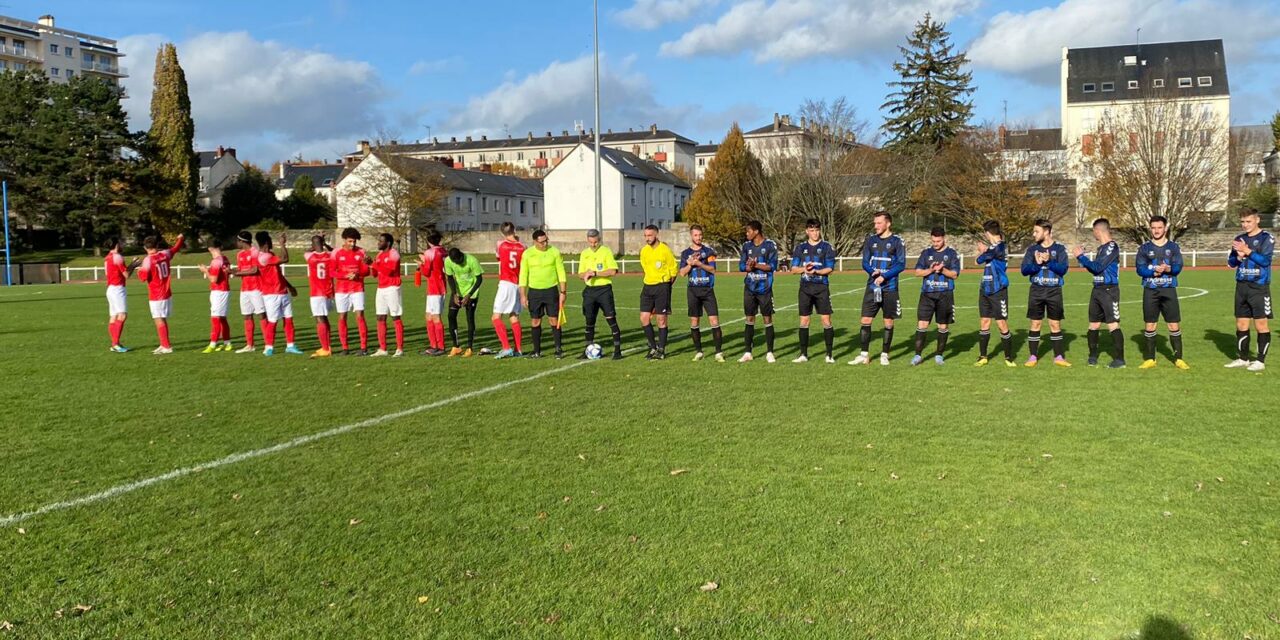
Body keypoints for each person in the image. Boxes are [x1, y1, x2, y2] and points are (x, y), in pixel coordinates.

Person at [850, 211, 905, 366]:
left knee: (888, 322)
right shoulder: (870, 240)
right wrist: (872, 272)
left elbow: (901, 264)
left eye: (879, 223)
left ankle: (885, 354)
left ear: (888, 223)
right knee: (865, 320)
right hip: (872, 286)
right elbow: (865, 262)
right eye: (875, 223)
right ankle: (864, 354)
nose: (876, 226)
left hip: (890, 287)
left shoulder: (897, 241)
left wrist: (884, 276)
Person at [1135, 216, 1188, 369]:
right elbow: (1140, 269)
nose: (1156, 231)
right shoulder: (1144, 248)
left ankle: (1178, 358)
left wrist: (1169, 269)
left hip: (1168, 289)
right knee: (1150, 325)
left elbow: (1178, 267)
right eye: (1153, 228)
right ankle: (1150, 358)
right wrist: (1153, 272)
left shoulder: (1173, 247)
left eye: (1159, 227)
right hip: (1150, 291)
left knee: (1173, 325)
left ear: (1165, 228)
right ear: (1150, 229)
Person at [237, 231, 301, 356]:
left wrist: (290, 286)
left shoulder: (269, 255)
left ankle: (291, 345)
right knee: (273, 321)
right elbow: (285, 259)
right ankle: (268, 347)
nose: (272, 243)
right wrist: (282, 244)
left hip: (282, 291)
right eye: (271, 241)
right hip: (271, 294)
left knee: (288, 319)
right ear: (267, 242)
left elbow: (278, 274)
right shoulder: (263, 257)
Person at [1073, 218, 1125, 368]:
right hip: (1097, 289)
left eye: (1093, 231)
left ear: (1098, 230)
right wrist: (1083, 259)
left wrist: (1081, 256)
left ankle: (1120, 359)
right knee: (1094, 324)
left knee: (1112, 324)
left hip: (1109, 290)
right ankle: (1093, 356)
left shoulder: (1111, 247)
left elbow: (1097, 267)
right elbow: (1095, 269)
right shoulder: (1101, 248)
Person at [1226, 207, 1273, 371]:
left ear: (1257, 220)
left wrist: (1247, 251)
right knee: (1241, 324)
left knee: (1261, 324)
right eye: (1243, 222)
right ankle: (1243, 358)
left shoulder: (1266, 238)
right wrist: (1238, 255)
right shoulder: (1239, 238)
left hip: (1259, 287)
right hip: (1242, 286)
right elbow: (1231, 263)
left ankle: (1260, 360)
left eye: (1248, 221)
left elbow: (1265, 261)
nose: (1245, 225)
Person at [1020, 219, 1070, 367]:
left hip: (1054, 291)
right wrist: (1037, 264)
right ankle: (1033, 357)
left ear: (1046, 231)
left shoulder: (1059, 249)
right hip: (1037, 290)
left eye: (1036, 231)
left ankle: (1059, 357)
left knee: (1055, 324)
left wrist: (1049, 261)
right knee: (1035, 323)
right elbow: (1024, 270)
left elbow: (1063, 270)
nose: (1033, 234)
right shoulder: (1032, 250)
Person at [789, 218, 836, 363]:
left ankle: (829, 355)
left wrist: (816, 272)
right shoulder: (800, 248)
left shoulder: (827, 247)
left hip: (821, 288)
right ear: (807, 231)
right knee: (804, 321)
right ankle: (803, 354)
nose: (815, 233)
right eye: (812, 230)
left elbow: (830, 269)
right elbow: (793, 269)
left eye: (817, 230)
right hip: (805, 289)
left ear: (820, 230)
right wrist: (805, 269)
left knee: (826, 320)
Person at [911, 227, 959, 366]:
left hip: (945, 295)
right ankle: (918, 355)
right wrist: (931, 269)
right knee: (922, 324)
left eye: (938, 241)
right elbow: (917, 272)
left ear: (944, 238)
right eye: (933, 241)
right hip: (927, 294)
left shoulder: (951, 254)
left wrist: (942, 269)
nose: (935, 243)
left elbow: (954, 274)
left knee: (942, 326)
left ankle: (939, 355)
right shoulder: (926, 253)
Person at [518, 229, 566, 358]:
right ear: (535, 242)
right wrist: (523, 295)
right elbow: (523, 275)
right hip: (534, 292)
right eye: (541, 242)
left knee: (554, 319)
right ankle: (536, 351)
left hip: (551, 290)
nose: (544, 244)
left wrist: (563, 292)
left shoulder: (554, 252)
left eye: (546, 241)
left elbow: (561, 273)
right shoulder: (527, 254)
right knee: (535, 321)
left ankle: (558, 349)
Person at [679, 224, 723, 362]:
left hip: (707, 290)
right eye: (696, 235)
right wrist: (690, 264)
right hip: (693, 291)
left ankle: (718, 352)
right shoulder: (685, 254)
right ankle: (699, 351)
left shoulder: (709, 252)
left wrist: (699, 264)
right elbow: (682, 273)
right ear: (691, 236)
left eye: (700, 235)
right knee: (694, 321)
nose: (699, 237)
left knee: (714, 320)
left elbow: (713, 269)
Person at [974, 220, 1015, 366]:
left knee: (1001, 323)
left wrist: (984, 251)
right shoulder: (991, 248)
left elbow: (983, 257)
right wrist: (984, 252)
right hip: (985, 288)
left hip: (998, 290)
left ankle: (1008, 357)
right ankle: (983, 356)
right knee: (984, 322)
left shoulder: (1001, 246)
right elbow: (978, 260)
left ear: (987, 233)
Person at [577, 229, 623, 360]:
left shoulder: (606, 251)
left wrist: (595, 273)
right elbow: (580, 274)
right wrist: (585, 275)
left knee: (611, 319)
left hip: (604, 290)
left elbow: (613, 271)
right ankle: (587, 350)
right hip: (589, 291)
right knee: (589, 321)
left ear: (599, 240)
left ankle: (617, 350)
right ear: (587, 240)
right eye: (591, 242)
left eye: (595, 242)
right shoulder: (584, 253)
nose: (593, 245)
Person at [738, 220, 779, 363]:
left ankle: (769, 352)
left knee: (767, 319)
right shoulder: (746, 246)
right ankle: (748, 352)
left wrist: (756, 265)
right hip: (750, 287)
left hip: (764, 288)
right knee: (749, 318)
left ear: (756, 232)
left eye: (748, 231)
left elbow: (772, 266)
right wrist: (748, 267)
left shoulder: (770, 245)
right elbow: (741, 266)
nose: (746, 234)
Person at [136, 233, 184, 355]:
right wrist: (180, 239)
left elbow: (143, 277)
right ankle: (164, 344)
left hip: (157, 294)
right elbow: (175, 249)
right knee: (161, 319)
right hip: (166, 292)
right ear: (157, 245)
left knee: (158, 320)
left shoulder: (148, 260)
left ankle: (166, 346)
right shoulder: (164, 254)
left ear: (145, 248)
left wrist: (139, 269)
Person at [639, 225, 678, 359]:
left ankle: (661, 349)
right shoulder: (644, 251)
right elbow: (645, 267)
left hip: (662, 287)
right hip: (647, 286)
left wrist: (666, 286)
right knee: (644, 318)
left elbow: (673, 270)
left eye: (649, 235)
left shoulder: (665, 250)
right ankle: (652, 347)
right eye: (645, 235)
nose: (647, 238)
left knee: (661, 319)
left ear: (656, 235)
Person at [333, 227, 371, 356]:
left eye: (354, 241)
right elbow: (332, 272)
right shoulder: (337, 253)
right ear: (344, 240)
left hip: (357, 288)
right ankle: (345, 347)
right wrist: (345, 275)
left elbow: (367, 272)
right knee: (342, 317)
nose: (352, 244)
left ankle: (363, 347)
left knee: (360, 315)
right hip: (341, 290)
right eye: (350, 241)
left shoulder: (361, 252)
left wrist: (358, 274)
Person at [492, 222, 526, 358]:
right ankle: (518, 349)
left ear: (502, 232)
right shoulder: (523, 247)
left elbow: (498, 257)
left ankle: (506, 347)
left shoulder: (500, 244)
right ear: (515, 230)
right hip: (517, 284)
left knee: (496, 316)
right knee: (513, 316)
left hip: (506, 283)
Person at [370, 232, 406, 357]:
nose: (378, 243)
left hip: (392, 288)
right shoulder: (379, 255)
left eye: (381, 241)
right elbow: (375, 274)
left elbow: (389, 271)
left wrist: (373, 264)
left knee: (395, 317)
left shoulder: (394, 254)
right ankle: (383, 349)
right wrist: (370, 265)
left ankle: (399, 348)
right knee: (380, 317)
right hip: (381, 288)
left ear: (388, 243)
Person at [444, 247, 484, 357]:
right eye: (455, 262)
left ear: (461, 255)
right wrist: (454, 293)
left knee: (469, 318)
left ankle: (469, 348)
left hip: (471, 293)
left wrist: (469, 295)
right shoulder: (447, 261)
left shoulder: (472, 260)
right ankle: (456, 346)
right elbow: (450, 277)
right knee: (451, 316)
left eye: (459, 261)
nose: (458, 263)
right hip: (458, 292)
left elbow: (479, 279)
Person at [103, 237, 141, 352]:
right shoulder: (118, 257)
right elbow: (126, 275)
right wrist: (134, 265)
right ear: (116, 244)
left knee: (113, 317)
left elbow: (118, 272)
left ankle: (115, 344)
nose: (122, 245)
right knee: (122, 315)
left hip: (110, 288)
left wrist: (132, 264)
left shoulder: (107, 258)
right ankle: (115, 344)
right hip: (118, 289)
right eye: (120, 243)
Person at [197, 239, 234, 353]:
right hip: (224, 290)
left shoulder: (216, 261)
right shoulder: (225, 258)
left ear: (209, 249)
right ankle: (227, 343)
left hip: (219, 291)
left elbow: (213, 279)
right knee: (222, 318)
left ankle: (212, 344)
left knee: (215, 318)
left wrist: (205, 271)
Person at [305, 235, 337, 358]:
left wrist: (316, 244)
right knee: (324, 318)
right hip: (328, 291)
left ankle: (325, 348)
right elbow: (333, 251)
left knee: (319, 318)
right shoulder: (330, 256)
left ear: (313, 245)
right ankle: (327, 346)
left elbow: (307, 251)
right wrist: (325, 244)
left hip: (317, 292)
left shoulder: (310, 256)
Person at [418, 231, 447, 356]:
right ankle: (433, 345)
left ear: (428, 241)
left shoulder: (430, 252)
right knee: (429, 316)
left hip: (435, 288)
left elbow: (426, 272)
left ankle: (440, 346)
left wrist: (422, 263)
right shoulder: (443, 251)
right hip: (439, 287)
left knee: (435, 317)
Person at [233, 231, 264, 353]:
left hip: (256, 288)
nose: (236, 243)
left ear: (242, 241)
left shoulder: (255, 252)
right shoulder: (240, 254)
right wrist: (232, 271)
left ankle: (268, 344)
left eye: (237, 240)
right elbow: (241, 270)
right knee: (246, 315)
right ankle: (250, 345)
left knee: (261, 315)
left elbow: (255, 270)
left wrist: (236, 273)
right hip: (244, 289)